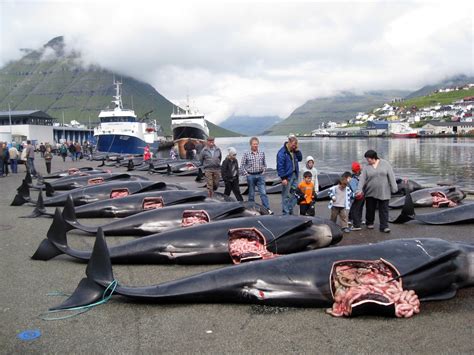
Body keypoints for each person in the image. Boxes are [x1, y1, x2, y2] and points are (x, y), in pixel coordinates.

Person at [355, 150, 398, 233]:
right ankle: (370, 222)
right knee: (370, 209)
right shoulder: (366, 167)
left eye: (368, 159)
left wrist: (394, 187)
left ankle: (384, 226)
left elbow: (391, 176)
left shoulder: (385, 164)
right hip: (370, 191)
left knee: (384, 209)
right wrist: (359, 190)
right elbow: (362, 179)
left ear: (373, 157)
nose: (367, 160)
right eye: (367, 159)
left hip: (384, 191)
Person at [240, 137, 272, 213]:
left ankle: (267, 209)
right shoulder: (246, 154)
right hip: (250, 176)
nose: (255, 145)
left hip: (260, 175)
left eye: (257, 144)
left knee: (263, 193)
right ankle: (251, 209)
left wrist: (264, 171)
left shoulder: (261, 153)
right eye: (254, 144)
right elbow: (242, 165)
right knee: (251, 193)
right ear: (250, 145)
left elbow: (264, 164)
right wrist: (246, 174)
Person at [277, 135, 303, 215]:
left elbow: (300, 158)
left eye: (295, 145)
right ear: (289, 142)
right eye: (293, 145)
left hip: (295, 175)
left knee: (294, 194)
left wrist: (297, 150)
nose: (294, 146)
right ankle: (285, 212)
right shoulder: (282, 152)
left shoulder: (294, 151)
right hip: (287, 177)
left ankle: (289, 209)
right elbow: (279, 166)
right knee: (285, 195)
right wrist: (283, 178)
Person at [348, 161, 364, 231]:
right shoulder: (363, 176)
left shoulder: (352, 179)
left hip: (358, 195)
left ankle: (356, 225)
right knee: (359, 208)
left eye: (355, 171)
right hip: (363, 195)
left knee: (355, 209)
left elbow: (354, 189)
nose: (355, 172)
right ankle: (359, 220)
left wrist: (352, 195)